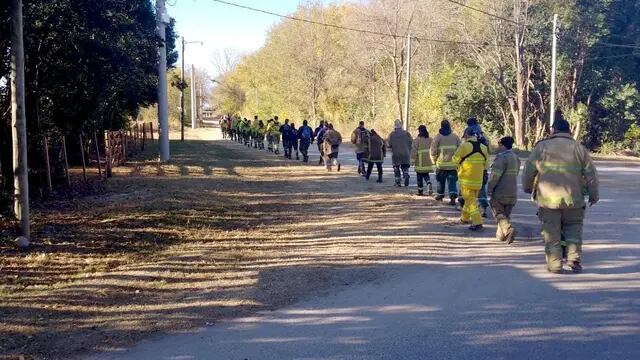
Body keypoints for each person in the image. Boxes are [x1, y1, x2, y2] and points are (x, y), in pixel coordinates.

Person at [522, 113, 599, 274]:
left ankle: (555, 264)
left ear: (552, 130)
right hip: (574, 199)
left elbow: (529, 170)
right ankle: (574, 259)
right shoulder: (579, 148)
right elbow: (591, 174)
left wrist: (527, 187)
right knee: (574, 229)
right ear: (569, 131)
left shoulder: (542, 147)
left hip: (548, 200)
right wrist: (594, 195)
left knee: (551, 231)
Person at [453, 126, 490, 231]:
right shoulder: (483, 147)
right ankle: (464, 218)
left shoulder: (464, 146)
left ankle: (477, 222)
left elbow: (455, 160)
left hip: (466, 179)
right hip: (478, 180)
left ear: (467, 135)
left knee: (470, 201)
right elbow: (486, 165)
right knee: (470, 199)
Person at [487, 136, 520, 244]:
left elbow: (495, 175)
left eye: (499, 145)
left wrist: (490, 188)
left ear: (503, 145)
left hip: (501, 191)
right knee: (505, 215)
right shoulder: (516, 157)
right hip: (512, 191)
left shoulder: (501, 158)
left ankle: (509, 229)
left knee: (497, 211)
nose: (498, 147)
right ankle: (502, 235)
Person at [465, 117, 491, 217]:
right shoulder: (485, 137)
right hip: (483, 168)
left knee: (467, 187)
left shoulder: (468, 137)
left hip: (469, 168)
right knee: (481, 188)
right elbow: (490, 151)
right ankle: (483, 208)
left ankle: (466, 207)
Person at [431, 120, 461, 205]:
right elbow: (460, 148)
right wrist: (458, 160)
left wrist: (434, 160)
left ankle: (440, 195)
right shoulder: (455, 137)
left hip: (441, 165)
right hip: (453, 164)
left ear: (441, 126)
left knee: (441, 180)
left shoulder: (438, 137)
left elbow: (433, 150)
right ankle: (453, 195)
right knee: (452, 181)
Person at [387, 119, 413, 187]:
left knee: (396, 167)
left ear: (394, 126)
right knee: (405, 166)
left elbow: (389, 144)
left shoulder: (392, 134)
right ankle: (406, 173)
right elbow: (411, 142)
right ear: (401, 125)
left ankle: (398, 181)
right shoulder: (407, 133)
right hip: (406, 153)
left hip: (396, 154)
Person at [411, 125, 434, 196]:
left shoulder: (416, 140)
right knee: (426, 174)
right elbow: (434, 149)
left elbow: (414, 151)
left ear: (419, 131)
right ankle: (429, 183)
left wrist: (412, 161)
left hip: (419, 161)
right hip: (428, 161)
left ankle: (420, 191)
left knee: (419, 177)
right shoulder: (430, 139)